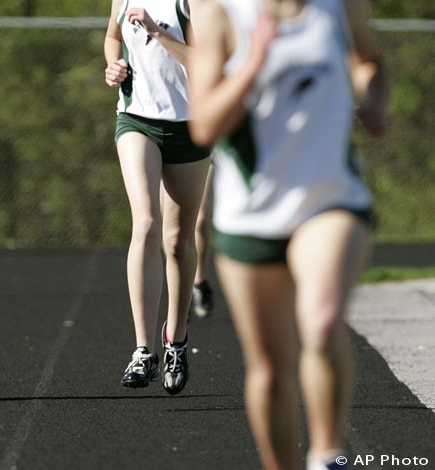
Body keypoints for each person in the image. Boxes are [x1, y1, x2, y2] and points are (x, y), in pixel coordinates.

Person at [187, 0, 389, 467]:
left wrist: (374, 98)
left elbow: (370, 61)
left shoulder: (340, 6)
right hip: (252, 214)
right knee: (271, 374)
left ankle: (327, 453)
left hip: (329, 199)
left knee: (320, 320)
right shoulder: (221, 14)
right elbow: (204, 124)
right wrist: (254, 61)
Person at [104, 0, 212, 395]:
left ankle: (177, 340)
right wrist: (113, 65)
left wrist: (157, 32)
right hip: (137, 120)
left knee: (178, 243)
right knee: (146, 222)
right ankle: (142, 349)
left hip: (190, 127)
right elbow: (112, 37)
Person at [191, 165, 214, 318]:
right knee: (171, 229)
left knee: (201, 220)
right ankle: (180, 288)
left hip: (205, 151)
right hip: (166, 146)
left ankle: (198, 282)